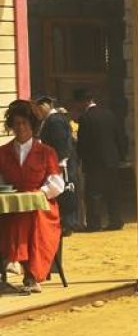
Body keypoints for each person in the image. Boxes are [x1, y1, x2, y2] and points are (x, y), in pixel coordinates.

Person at [0, 100, 65, 294]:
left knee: (30, 217)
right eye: (16, 124)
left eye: (24, 124)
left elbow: (56, 183)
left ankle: (26, 269)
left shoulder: (46, 152)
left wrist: (40, 193)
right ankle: (13, 263)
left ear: (32, 126)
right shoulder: (3, 152)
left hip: (42, 208)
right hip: (11, 207)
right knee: (13, 216)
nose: (20, 128)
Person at [72, 88, 126, 232]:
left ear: (83, 102)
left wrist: (80, 157)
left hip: (94, 162)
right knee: (113, 191)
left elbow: (83, 143)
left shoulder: (85, 118)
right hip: (111, 160)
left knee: (94, 194)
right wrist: (121, 156)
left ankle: (94, 224)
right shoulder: (109, 114)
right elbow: (119, 136)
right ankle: (115, 220)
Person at [34, 95, 81, 236]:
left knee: (65, 191)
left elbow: (61, 145)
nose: (37, 111)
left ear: (46, 105)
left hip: (61, 163)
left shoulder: (55, 121)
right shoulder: (51, 120)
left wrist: (60, 163)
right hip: (58, 162)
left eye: (38, 106)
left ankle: (68, 223)